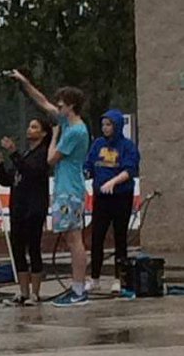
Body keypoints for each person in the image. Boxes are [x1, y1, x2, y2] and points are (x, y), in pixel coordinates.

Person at [11, 72, 90, 307]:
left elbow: (51, 159)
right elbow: (42, 101)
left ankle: (79, 289)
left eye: (62, 104)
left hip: (70, 188)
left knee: (75, 239)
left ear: (72, 106)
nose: (58, 106)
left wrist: (54, 136)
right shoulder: (67, 122)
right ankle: (77, 287)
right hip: (65, 188)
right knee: (70, 237)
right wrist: (24, 82)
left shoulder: (75, 131)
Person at [0, 118, 52, 305]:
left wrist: (13, 152)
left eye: (34, 127)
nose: (29, 130)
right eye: (29, 126)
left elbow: (31, 172)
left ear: (43, 133)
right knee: (18, 250)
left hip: (34, 207)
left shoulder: (43, 154)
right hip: (18, 207)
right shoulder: (26, 154)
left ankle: (35, 293)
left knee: (33, 248)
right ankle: (23, 292)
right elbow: (10, 179)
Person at [85, 108, 140, 294]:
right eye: (103, 124)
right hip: (101, 198)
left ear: (117, 126)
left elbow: (130, 169)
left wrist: (113, 182)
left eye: (109, 125)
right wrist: (85, 173)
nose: (105, 128)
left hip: (121, 197)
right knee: (97, 237)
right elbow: (89, 164)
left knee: (120, 237)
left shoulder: (127, 146)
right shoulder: (98, 144)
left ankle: (119, 279)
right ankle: (95, 278)